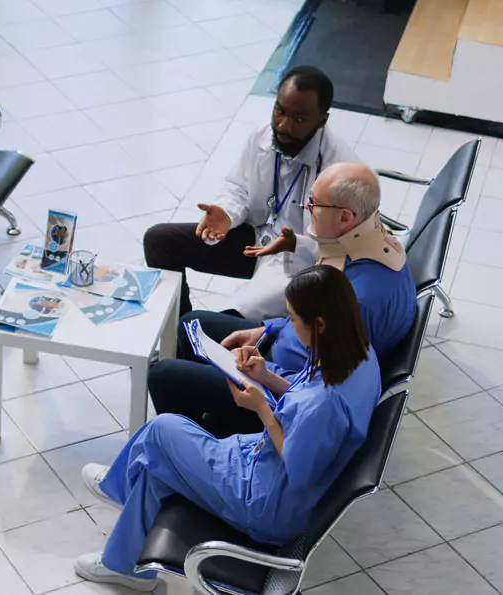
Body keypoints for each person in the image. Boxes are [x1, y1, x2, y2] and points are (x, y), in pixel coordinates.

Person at [73, 265, 381, 592]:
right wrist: (265, 377)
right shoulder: (358, 355)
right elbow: (303, 400)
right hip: (264, 473)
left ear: (319, 323)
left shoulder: (327, 403)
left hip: (265, 504)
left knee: (161, 431)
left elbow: (300, 469)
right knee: (159, 460)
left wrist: (261, 407)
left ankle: (119, 491)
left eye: (293, 319)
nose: (289, 326)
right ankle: (123, 561)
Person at [148, 161, 416, 438]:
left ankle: (195, 445)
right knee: (190, 325)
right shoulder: (373, 244)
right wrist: (266, 329)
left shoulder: (357, 302)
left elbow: (317, 396)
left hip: (281, 397)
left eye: (314, 204)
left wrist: (261, 374)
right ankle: (204, 420)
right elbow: (311, 325)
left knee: (164, 375)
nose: (307, 210)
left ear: (345, 218)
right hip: (285, 355)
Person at [143, 66, 358, 320]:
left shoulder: (341, 172)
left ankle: (195, 345)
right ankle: (177, 337)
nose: (283, 125)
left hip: (299, 262)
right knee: (159, 242)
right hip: (258, 239)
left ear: (322, 120)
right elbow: (239, 187)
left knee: (227, 318)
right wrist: (226, 213)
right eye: (279, 111)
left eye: (299, 119)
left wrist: (295, 244)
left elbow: (339, 249)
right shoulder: (262, 137)